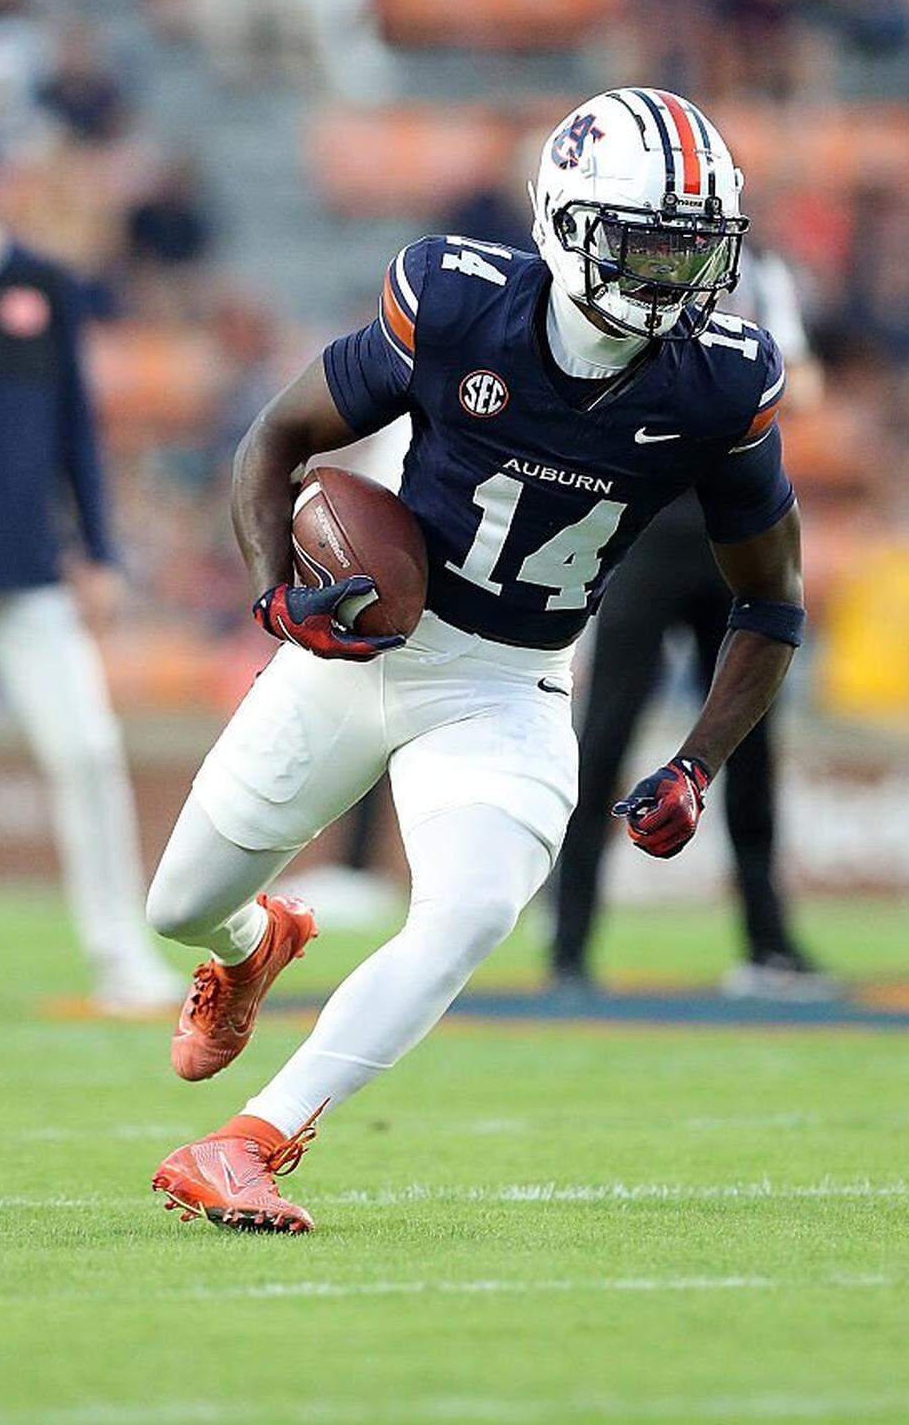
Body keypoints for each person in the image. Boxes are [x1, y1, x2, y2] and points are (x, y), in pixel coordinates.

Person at [146, 87, 806, 1234]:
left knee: (470, 910)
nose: (673, 279)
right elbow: (278, 438)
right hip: (365, 648)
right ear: (565, 219)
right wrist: (276, 595)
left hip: (508, 684)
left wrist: (698, 760)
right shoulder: (458, 301)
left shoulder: (721, 378)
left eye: (694, 250)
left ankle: (249, 1139)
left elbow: (771, 600)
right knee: (180, 901)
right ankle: (255, 945)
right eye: (647, 244)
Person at [0, 97, 180, 1017]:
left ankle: (120, 955)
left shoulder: (42, 281)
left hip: (33, 570)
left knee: (83, 750)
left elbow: (76, 429)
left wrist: (100, 550)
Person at [551, 245, 830, 997]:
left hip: (733, 520)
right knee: (605, 730)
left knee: (747, 733)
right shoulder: (639, 265)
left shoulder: (762, 274)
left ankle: (765, 939)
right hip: (652, 520)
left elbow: (799, 388)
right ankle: (569, 939)